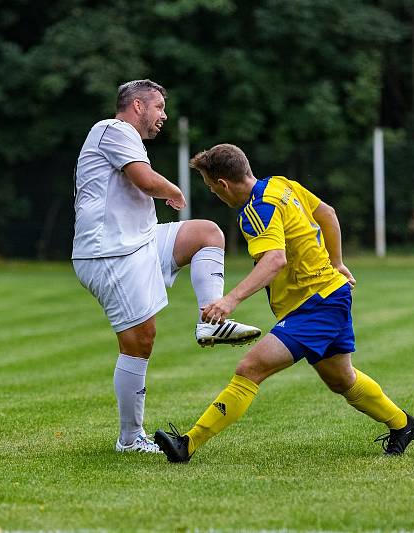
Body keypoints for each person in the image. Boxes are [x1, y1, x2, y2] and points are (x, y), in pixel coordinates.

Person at [154, 143, 414, 462]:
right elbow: (327, 214)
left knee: (249, 368)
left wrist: (229, 300)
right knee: (341, 379)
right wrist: (336, 262)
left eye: (213, 189)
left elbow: (274, 260)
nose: (216, 195)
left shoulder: (256, 211)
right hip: (329, 295)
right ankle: (404, 425)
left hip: (314, 305)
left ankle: (187, 444)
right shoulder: (281, 185)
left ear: (223, 184)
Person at [71, 81, 261, 454]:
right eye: (159, 107)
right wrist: (172, 189)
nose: (164, 116)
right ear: (137, 105)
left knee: (207, 233)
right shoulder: (112, 129)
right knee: (140, 340)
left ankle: (211, 322)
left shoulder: (125, 137)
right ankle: (130, 439)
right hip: (107, 252)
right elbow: (143, 180)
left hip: (139, 241)